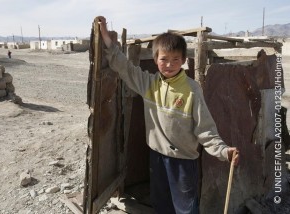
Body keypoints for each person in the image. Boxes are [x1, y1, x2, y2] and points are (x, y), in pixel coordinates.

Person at [98, 16, 239, 214]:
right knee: (161, 203)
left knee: (185, 208)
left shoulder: (191, 90)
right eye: (164, 59)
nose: (169, 64)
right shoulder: (150, 84)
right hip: (157, 157)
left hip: (183, 161)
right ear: (155, 59)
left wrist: (223, 151)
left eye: (175, 59)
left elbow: (205, 129)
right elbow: (125, 68)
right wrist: (106, 38)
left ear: (183, 60)